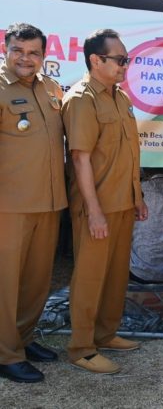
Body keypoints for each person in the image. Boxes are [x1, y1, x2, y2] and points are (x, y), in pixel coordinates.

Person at [62, 29, 148, 374]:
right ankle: (81, 347)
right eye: (120, 60)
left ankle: (106, 333)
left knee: (114, 277)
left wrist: (137, 196)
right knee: (90, 277)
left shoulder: (119, 97)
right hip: (96, 208)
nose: (125, 65)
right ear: (96, 60)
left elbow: (128, 152)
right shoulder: (82, 99)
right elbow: (81, 159)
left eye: (126, 60)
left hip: (123, 204)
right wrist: (94, 212)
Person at [0, 23, 66, 383]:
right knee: (6, 283)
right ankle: (5, 353)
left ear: (43, 55)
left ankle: (22, 340)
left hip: (48, 202)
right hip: (9, 205)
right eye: (18, 51)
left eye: (34, 52)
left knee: (36, 281)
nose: (26, 58)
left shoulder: (51, 88)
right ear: (6, 49)